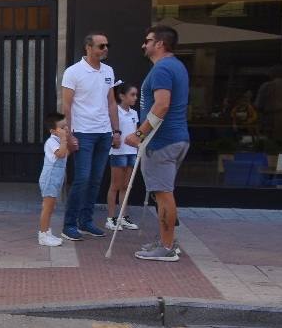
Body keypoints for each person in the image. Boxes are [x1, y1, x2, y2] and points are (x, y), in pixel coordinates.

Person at [125, 24, 190, 262]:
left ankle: (166, 247)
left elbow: (162, 105)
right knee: (164, 192)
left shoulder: (162, 68)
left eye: (148, 40)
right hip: (175, 138)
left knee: (163, 194)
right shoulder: (176, 66)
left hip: (161, 141)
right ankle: (167, 240)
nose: (144, 44)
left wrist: (139, 134)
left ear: (160, 44)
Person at [60, 32, 121, 241]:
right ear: (88, 47)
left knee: (95, 180)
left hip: (104, 133)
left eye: (107, 45)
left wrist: (116, 131)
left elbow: (111, 102)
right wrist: (69, 134)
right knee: (82, 179)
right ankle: (69, 224)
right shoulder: (73, 72)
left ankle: (85, 222)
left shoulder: (108, 71)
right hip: (83, 133)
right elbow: (66, 105)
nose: (105, 49)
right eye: (101, 46)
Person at [105, 82, 140, 231]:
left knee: (126, 186)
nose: (135, 98)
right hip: (118, 152)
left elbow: (136, 133)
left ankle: (123, 217)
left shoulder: (134, 113)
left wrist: (138, 146)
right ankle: (110, 218)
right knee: (115, 186)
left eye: (136, 95)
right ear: (122, 96)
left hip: (132, 153)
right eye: (132, 95)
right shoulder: (115, 112)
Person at [38, 112, 70, 246]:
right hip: (50, 178)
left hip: (56, 178)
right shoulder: (51, 142)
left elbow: (66, 153)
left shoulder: (59, 141)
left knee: (51, 207)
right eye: (62, 128)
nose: (66, 129)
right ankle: (43, 235)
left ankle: (47, 231)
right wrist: (64, 140)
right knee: (47, 207)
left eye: (66, 126)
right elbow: (61, 154)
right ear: (53, 131)